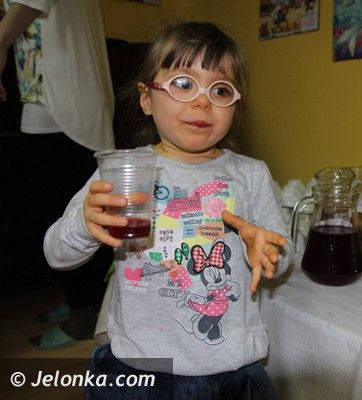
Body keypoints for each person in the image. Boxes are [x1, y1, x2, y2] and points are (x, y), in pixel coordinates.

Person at [44, 21, 291, 399]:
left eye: (220, 90)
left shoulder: (251, 174)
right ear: (147, 98)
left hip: (229, 369)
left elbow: (282, 255)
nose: (203, 101)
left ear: (235, 107)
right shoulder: (122, 171)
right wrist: (83, 223)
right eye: (183, 84)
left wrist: (268, 250)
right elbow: (56, 253)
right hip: (138, 368)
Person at [0, 0, 114, 348]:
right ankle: (84, 301)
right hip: (54, 97)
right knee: (69, 207)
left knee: (62, 208)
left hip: (62, 103)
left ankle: (83, 310)